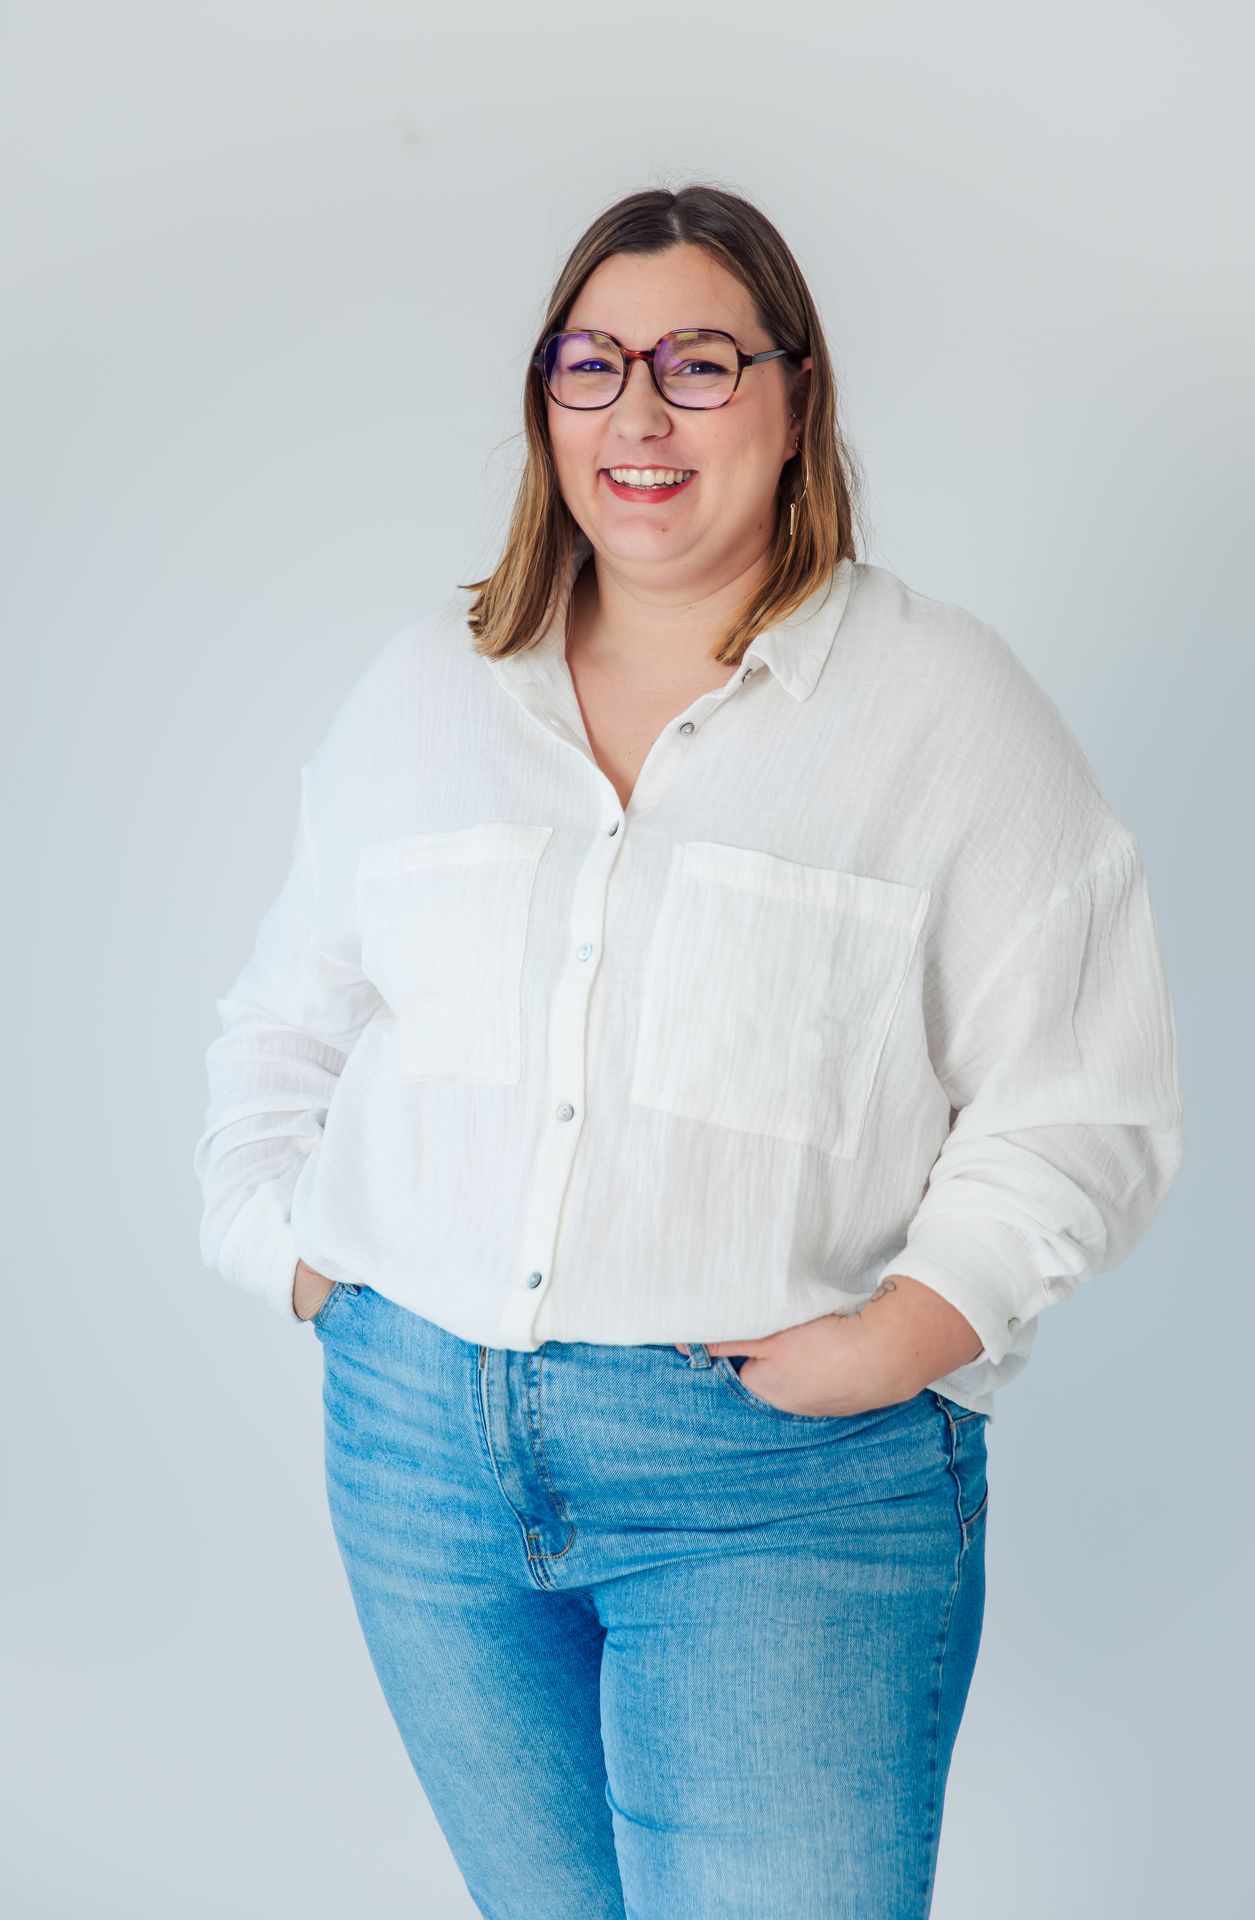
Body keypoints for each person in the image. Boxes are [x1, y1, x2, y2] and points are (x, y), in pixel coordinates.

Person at [192, 183, 1185, 1918]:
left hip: (779, 1484)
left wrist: (905, 1338)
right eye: (592, 364)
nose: (639, 413)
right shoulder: (433, 686)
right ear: (542, 406)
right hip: (421, 1452)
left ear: (796, 398)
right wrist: (286, 1255)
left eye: (699, 362)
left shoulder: (943, 708)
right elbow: (288, 1018)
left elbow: (1081, 1098)